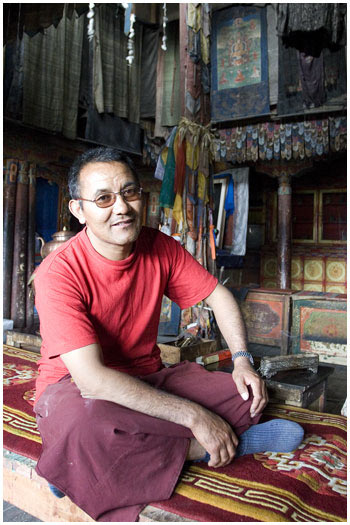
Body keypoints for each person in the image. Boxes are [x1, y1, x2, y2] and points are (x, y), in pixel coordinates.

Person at [33, 147, 304, 522]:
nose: (121, 208)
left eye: (129, 193)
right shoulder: (57, 273)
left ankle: (81, 466)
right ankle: (203, 448)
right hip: (77, 388)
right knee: (87, 427)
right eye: (103, 199)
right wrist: (195, 418)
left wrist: (242, 361)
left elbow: (219, 295)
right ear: (78, 210)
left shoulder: (158, 246)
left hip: (146, 375)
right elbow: (93, 381)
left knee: (245, 395)